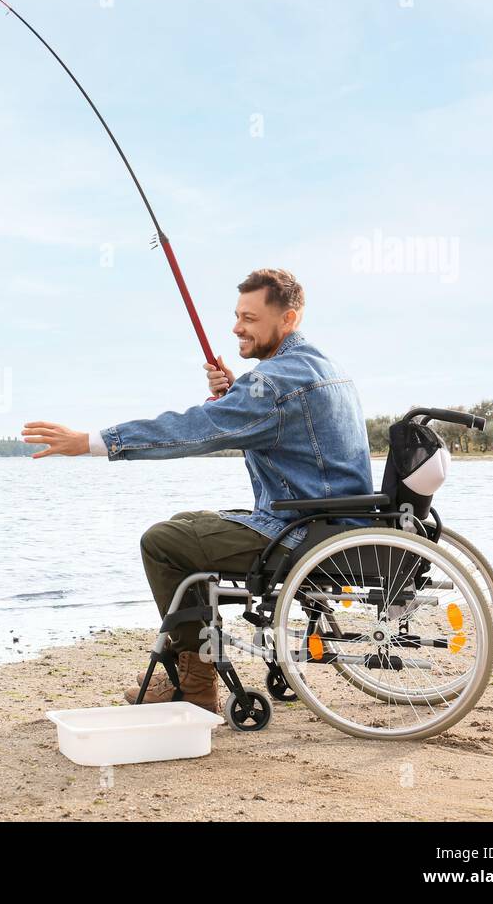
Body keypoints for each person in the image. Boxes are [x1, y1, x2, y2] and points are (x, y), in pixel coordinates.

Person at [21, 268, 373, 712]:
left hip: (304, 531)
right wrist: (234, 396)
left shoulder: (276, 382)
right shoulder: (319, 367)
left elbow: (197, 431)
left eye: (250, 318)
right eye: (236, 315)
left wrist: (93, 442)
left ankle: (196, 681)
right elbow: (257, 420)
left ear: (288, 320)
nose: (236, 327)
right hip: (331, 520)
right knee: (186, 524)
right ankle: (187, 659)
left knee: (163, 543)